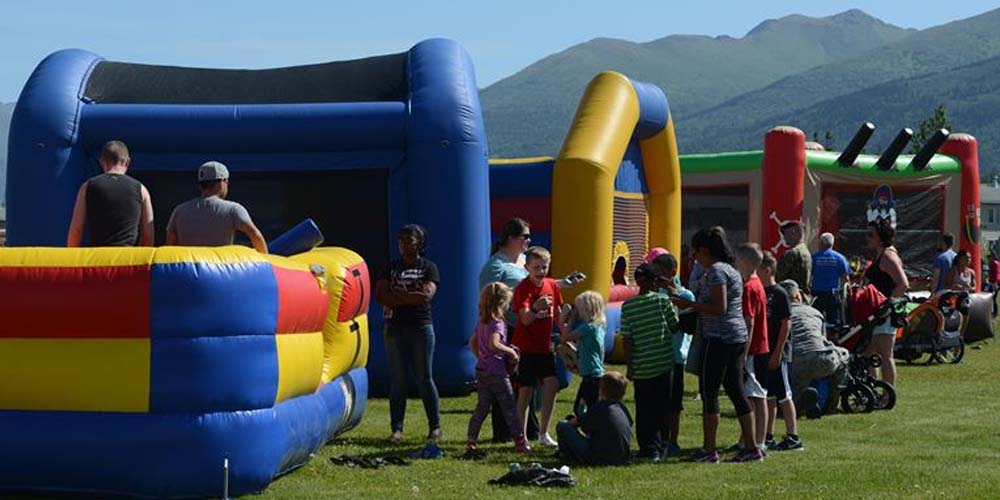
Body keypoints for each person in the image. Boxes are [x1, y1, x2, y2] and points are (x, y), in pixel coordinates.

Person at [672, 227, 757, 463]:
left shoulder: (717, 271)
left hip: (719, 337)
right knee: (736, 390)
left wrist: (690, 305)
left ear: (705, 251)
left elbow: (719, 307)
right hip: (736, 336)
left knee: (709, 393)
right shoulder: (731, 269)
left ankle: (709, 450)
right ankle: (751, 447)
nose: (694, 257)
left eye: (695, 252)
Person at [375, 225, 441, 444]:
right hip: (395, 328)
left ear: (420, 243)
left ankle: (435, 427)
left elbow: (425, 296)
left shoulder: (428, 267)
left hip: (421, 327)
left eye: (409, 240)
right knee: (398, 379)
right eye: (400, 240)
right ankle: (397, 429)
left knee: (424, 377)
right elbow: (381, 295)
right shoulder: (390, 267)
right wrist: (408, 296)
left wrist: (396, 293)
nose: (403, 244)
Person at [621, 263, 679, 461]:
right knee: (663, 406)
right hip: (664, 364)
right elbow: (674, 326)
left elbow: (627, 340)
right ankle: (664, 444)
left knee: (644, 409)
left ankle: (648, 448)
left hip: (642, 367)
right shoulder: (662, 301)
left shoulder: (628, 306)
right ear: (655, 282)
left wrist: (630, 366)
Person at [466, 282, 530, 455]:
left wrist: (481, 357)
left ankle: (471, 440)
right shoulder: (498, 323)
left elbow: (472, 342)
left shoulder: (483, 321)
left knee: (482, 407)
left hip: (481, 370)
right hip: (497, 373)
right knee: (509, 408)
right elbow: (493, 344)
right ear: (502, 303)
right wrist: (511, 352)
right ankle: (521, 443)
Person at [512, 246, 565, 447]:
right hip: (525, 348)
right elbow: (525, 319)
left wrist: (565, 333)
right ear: (527, 267)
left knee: (551, 384)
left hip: (544, 347)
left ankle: (544, 433)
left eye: (544, 267)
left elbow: (558, 314)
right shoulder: (522, 288)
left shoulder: (552, 285)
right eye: (536, 267)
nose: (541, 271)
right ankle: (521, 438)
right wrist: (536, 308)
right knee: (526, 391)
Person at [781, 280, 850, 418]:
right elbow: (823, 340)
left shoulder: (781, 315)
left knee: (794, 401)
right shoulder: (815, 312)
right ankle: (831, 406)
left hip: (796, 362)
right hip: (822, 359)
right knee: (845, 355)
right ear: (798, 296)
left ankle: (802, 403)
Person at [165, 161, 267, 253]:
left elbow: (170, 246)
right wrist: (267, 263)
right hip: (220, 267)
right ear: (221, 182)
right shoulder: (233, 209)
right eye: (227, 182)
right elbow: (256, 236)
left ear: (200, 186)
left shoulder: (179, 211)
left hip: (189, 267)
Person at [67, 140, 154, 247]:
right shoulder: (141, 189)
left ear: (102, 161)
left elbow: (76, 230)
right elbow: (148, 234)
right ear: (127, 162)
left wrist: (73, 255)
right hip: (128, 255)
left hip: (98, 254)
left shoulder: (87, 187)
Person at [652, 253, 695, 458]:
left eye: (660, 272)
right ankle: (658, 438)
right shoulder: (654, 294)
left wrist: (674, 294)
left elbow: (688, 324)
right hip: (657, 353)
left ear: (672, 272)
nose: (657, 276)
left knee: (674, 402)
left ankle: (673, 440)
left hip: (676, 356)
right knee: (657, 400)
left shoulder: (686, 295)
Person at [759, 253, 802, 450]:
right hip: (765, 350)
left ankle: (793, 436)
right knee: (768, 395)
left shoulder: (779, 293)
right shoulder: (761, 291)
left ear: (767, 270)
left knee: (784, 394)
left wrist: (777, 353)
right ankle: (768, 434)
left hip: (778, 351)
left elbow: (786, 324)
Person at [864, 219, 909, 387]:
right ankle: (873, 389)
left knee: (885, 355)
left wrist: (886, 303)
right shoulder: (881, 254)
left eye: (871, 234)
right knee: (870, 353)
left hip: (885, 314)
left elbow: (903, 284)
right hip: (877, 313)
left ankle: (887, 394)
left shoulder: (888, 256)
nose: (868, 238)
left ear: (881, 237)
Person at [556, 372, 633, 466]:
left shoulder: (601, 407)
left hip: (598, 458)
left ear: (602, 390)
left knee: (563, 425)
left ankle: (566, 455)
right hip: (621, 458)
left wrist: (573, 419)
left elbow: (576, 423)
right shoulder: (623, 408)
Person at [736, 243, 769, 453]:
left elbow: (749, 322)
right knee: (751, 394)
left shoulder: (749, 287)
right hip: (760, 347)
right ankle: (745, 438)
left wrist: (744, 353)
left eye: (738, 260)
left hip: (754, 348)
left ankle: (759, 440)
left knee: (756, 395)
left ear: (745, 261)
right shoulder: (757, 284)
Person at [558, 291, 607, 417]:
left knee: (586, 409)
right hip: (595, 374)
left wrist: (571, 319)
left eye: (578, 308)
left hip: (591, 377)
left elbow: (564, 338)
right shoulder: (599, 326)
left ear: (586, 308)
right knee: (584, 408)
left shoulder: (587, 328)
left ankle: (591, 427)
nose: (576, 311)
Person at [811, 233, 851, 325]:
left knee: (815, 322)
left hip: (817, 295)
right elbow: (846, 279)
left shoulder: (814, 258)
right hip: (833, 295)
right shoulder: (840, 258)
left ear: (821, 243)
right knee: (833, 323)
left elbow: (809, 276)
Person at [776, 220, 812, 295]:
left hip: (790, 294)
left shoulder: (792, 253)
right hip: (801, 295)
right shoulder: (805, 251)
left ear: (794, 233)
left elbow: (778, 277)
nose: (784, 238)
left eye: (785, 234)